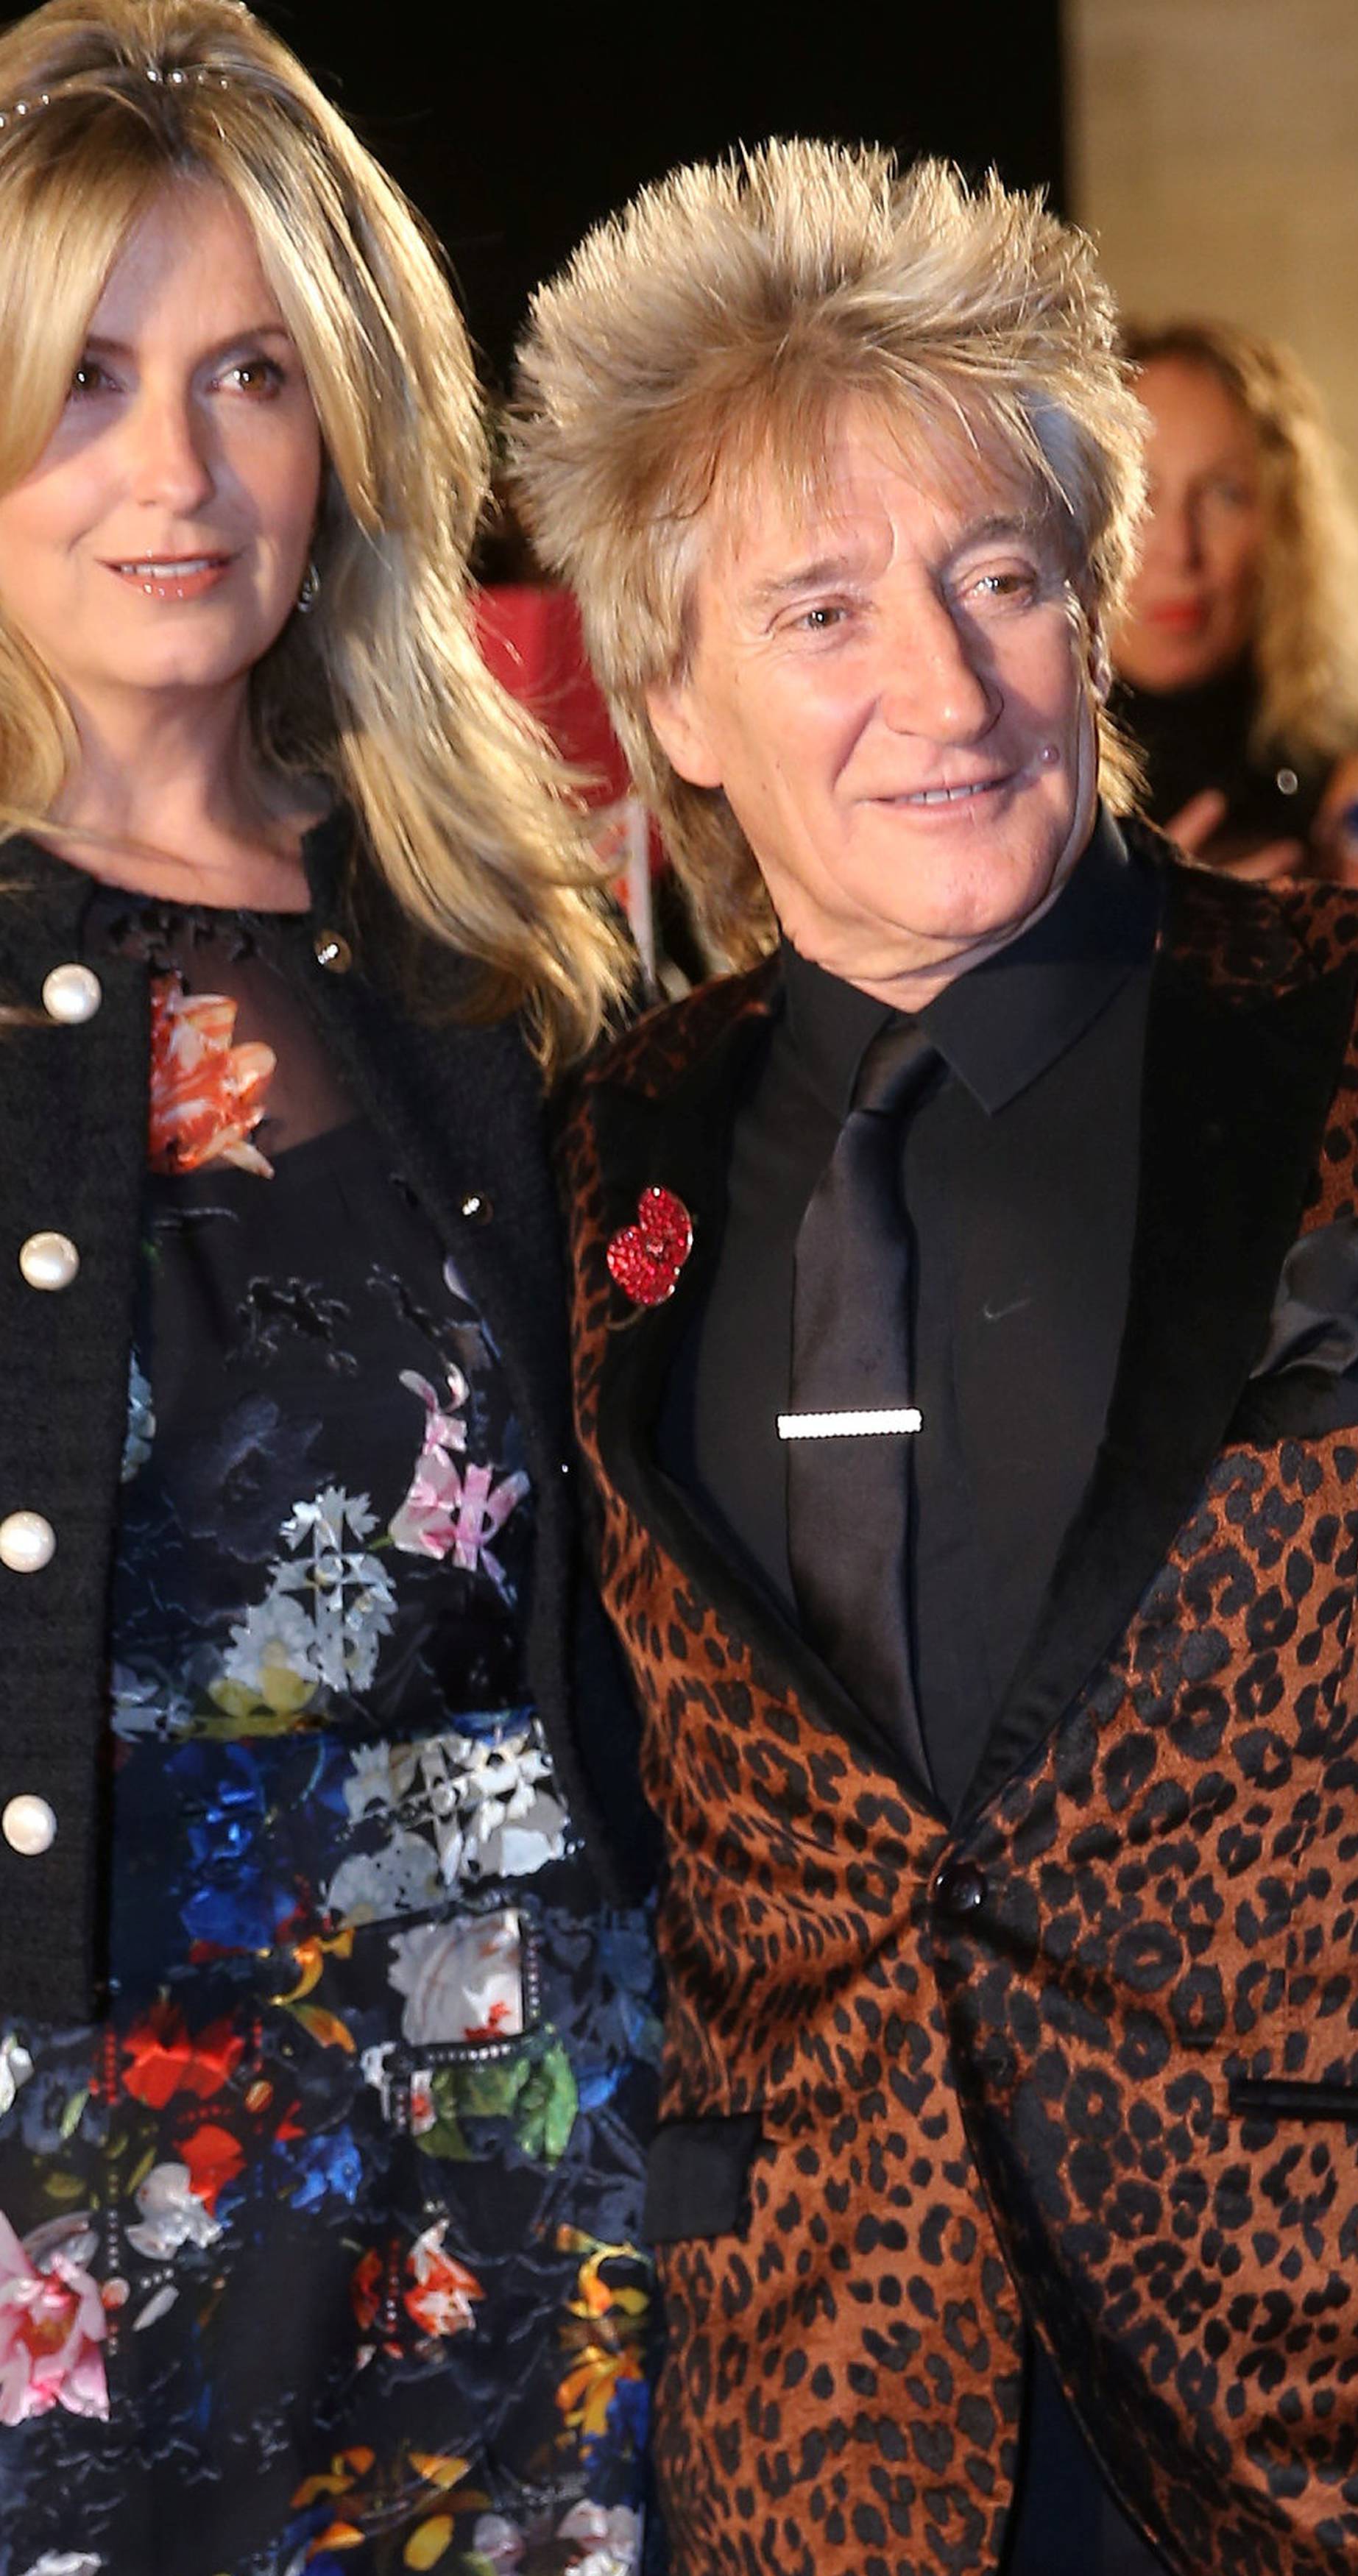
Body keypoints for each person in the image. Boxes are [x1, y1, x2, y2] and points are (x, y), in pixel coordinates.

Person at [512, 139, 1358, 2576]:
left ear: (1097, 615)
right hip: (821, 2448)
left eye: (1000, 575)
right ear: (674, 695)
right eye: (819, 610)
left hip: (1334, 2429)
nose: (943, 685)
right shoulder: (597, 1162)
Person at [0, 4, 660, 2570]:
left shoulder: (512, 961)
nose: (173, 472)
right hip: (65, 2208)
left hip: (499, 2184)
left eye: (253, 373)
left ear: (349, 431)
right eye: (80, 377)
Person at [1113, 318, 1358, 878]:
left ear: (1286, 530)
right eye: (1138, 494)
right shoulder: (1002, 779)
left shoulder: (1357, 780)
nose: (1180, 549)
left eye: (1224, 495)